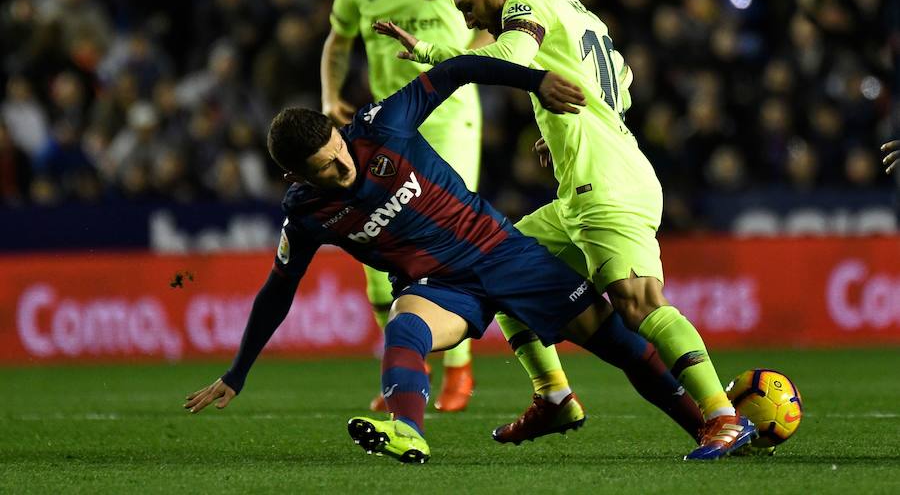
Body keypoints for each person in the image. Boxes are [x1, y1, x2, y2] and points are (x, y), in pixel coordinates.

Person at [184, 55, 720, 463]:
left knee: (621, 346)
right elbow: (278, 291)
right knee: (404, 327)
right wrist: (238, 372)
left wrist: (535, 82)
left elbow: (457, 69)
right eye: (325, 167)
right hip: (441, 287)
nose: (342, 165)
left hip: (502, 252)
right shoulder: (304, 214)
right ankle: (409, 431)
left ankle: (709, 427)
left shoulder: (380, 127)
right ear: (296, 176)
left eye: (338, 149)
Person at [373, 0, 756, 460]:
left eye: (467, 7)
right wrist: (564, 130)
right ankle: (553, 394)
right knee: (502, 263)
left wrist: (436, 57)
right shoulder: (576, 9)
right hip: (588, 180)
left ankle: (724, 417)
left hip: (608, 182)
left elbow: (512, 58)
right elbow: (621, 85)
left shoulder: (523, 6)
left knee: (638, 301)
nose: (469, 20)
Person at [321, 0, 576, 421]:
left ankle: (458, 369)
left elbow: (501, 35)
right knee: (378, 264)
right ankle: (409, 365)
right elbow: (337, 41)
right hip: (389, 127)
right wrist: (328, 96)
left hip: (451, 117)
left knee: (443, 242)